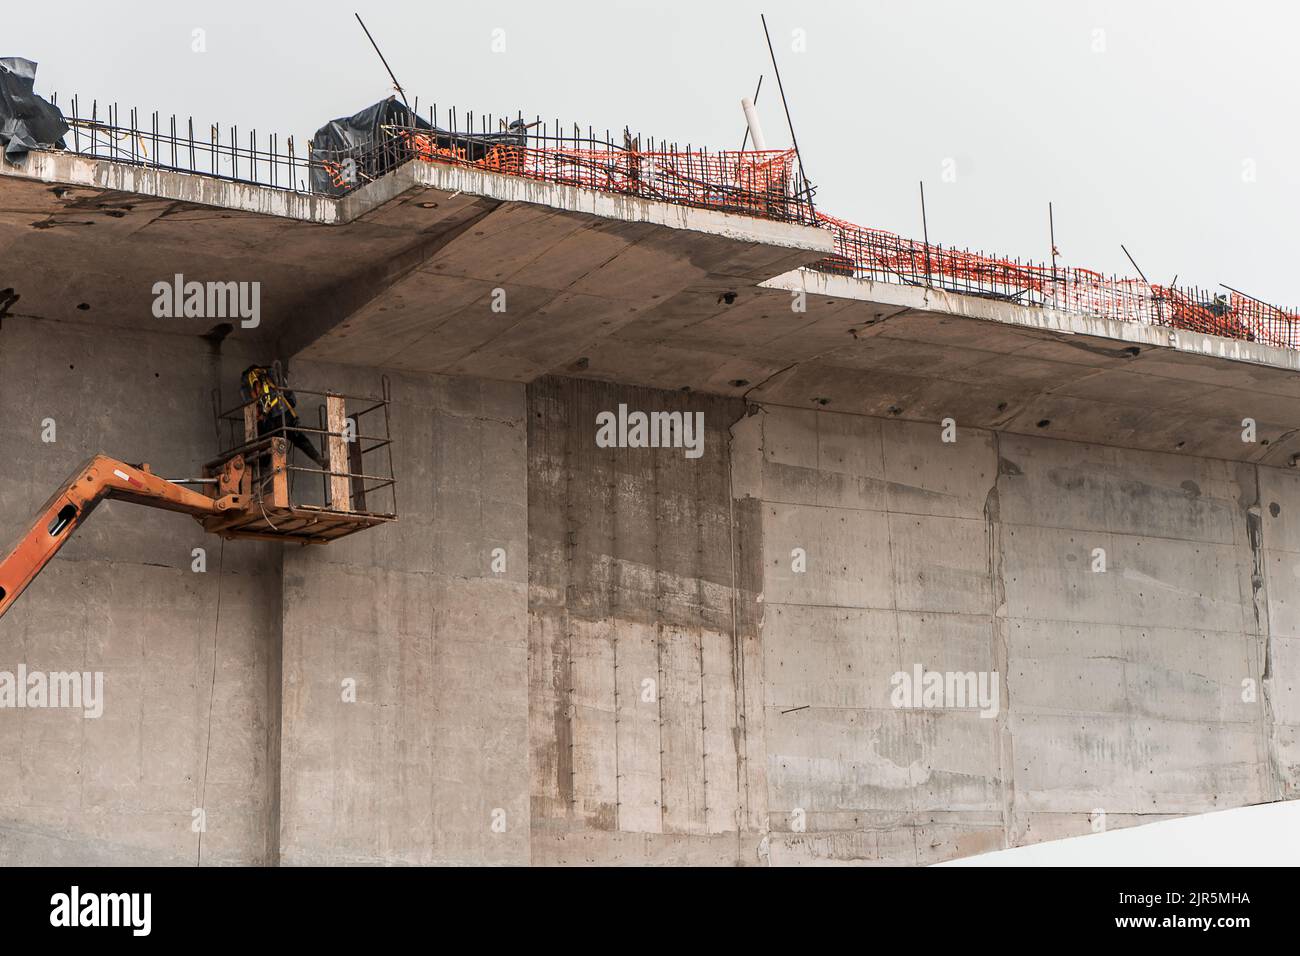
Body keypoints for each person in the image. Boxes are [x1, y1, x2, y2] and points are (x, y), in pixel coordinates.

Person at [239, 365, 328, 469]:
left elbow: (249, 403)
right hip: (285, 415)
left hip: (269, 420)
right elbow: (291, 398)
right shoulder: (271, 373)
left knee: (264, 447)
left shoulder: (247, 380)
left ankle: (260, 473)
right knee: (300, 439)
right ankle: (320, 460)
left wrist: (260, 416)